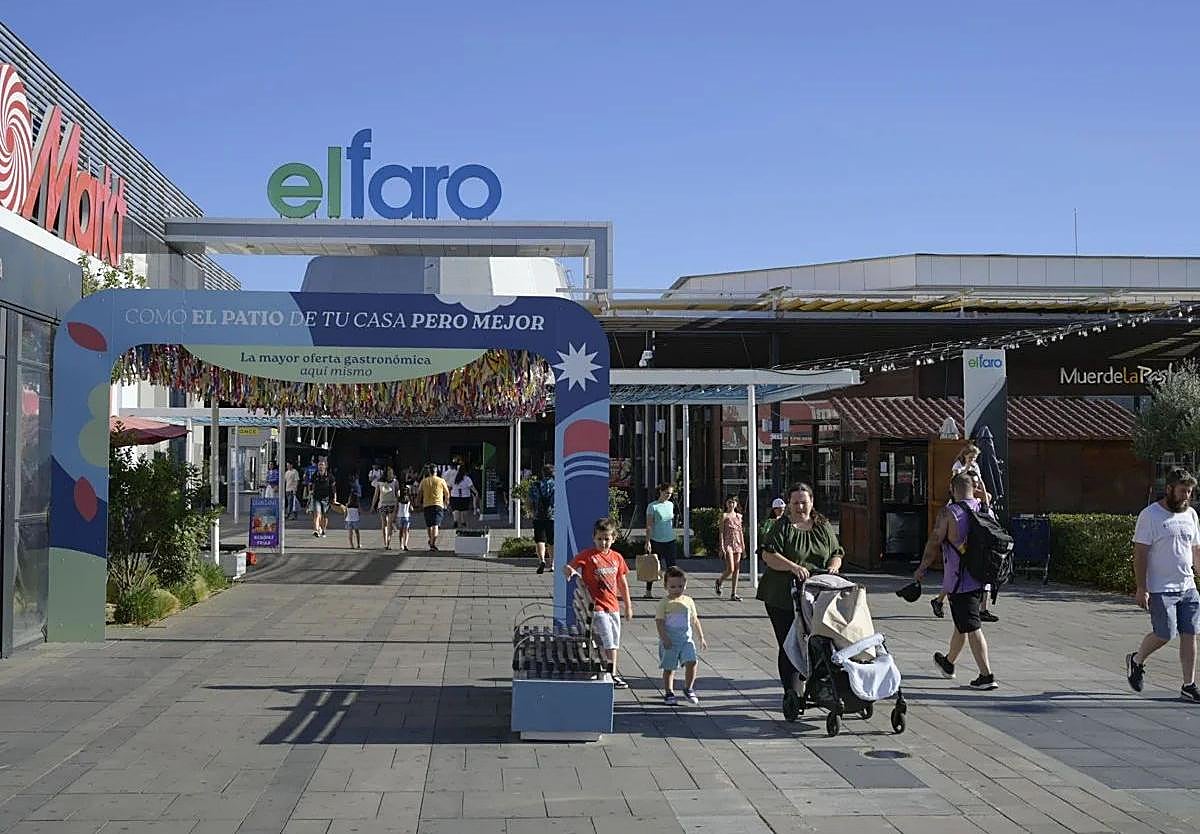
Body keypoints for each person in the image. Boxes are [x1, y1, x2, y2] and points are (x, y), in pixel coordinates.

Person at [758, 482, 845, 716]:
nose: (800, 507)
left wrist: (833, 567)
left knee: (821, 643)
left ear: (812, 502)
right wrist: (793, 567)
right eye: (795, 503)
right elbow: (768, 555)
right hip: (783, 595)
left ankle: (822, 684)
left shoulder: (822, 525)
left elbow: (837, 552)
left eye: (804, 502)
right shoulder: (783, 527)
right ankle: (792, 692)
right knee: (791, 642)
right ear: (788, 504)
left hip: (818, 594)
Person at [914, 472, 999, 690]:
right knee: (962, 624)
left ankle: (986, 676)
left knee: (972, 627)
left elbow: (934, 542)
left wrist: (922, 568)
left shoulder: (949, 513)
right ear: (974, 489)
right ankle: (948, 663)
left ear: (952, 489)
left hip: (960, 581)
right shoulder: (985, 509)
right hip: (983, 578)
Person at [1126, 468, 1200, 703]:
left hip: (1188, 587)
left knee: (1190, 634)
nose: (1187, 496)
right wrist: (1141, 587)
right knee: (1165, 633)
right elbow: (1140, 553)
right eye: (1183, 491)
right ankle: (1136, 660)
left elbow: (1196, 550)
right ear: (1169, 489)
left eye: (1190, 491)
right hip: (1160, 588)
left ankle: (1188, 685)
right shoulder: (1150, 515)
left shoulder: (1191, 515)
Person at [563, 517, 634, 689]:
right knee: (608, 639)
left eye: (607, 539)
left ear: (613, 538)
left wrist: (628, 606)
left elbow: (622, 582)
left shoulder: (617, 558)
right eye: (600, 539)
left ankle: (611, 672)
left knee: (614, 641)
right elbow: (571, 566)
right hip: (597, 607)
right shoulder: (588, 555)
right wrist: (569, 571)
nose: (603, 542)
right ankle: (610, 673)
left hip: (613, 606)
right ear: (594, 538)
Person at [932, 443, 999, 623]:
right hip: (962, 505)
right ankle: (940, 600)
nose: (973, 460)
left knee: (975, 570)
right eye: (971, 457)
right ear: (965, 455)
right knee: (956, 573)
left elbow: (979, 486)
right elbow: (957, 485)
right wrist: (967, 469)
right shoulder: (958, 467)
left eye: (975, 458)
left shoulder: (975, 467)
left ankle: (982, 608)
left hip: (972, 503)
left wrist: (982, 487)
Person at [657, 566, 708, 705]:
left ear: (685, 584)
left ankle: (688, 688)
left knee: (692, 661)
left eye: (680, 586)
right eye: (672, 587)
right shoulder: (664, 603)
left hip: (686, 640)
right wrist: (664, 638)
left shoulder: (688, 601)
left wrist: (701, 637)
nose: (676, 590)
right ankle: (669, 692)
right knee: (669, 668)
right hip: (670, 641)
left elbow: (695, 620)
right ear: (666, 586)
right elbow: (659, 622)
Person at [643, 483, 677, 600]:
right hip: (656, 540)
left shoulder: (671, 505)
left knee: (672, 568)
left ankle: (672, 590)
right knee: (653, 567)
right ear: (661, 492)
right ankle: (648, 591)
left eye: (671, 493)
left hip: (670, 539)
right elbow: (649, 526)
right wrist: (647, 541)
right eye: (667, 493)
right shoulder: (652, 506)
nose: (669, 495)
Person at [716, 495, 745, 601]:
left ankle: (734, 593)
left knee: (737, 568)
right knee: (731, 568)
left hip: (737, 543)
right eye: (729, 502)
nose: (731, 504)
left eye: (733, 502)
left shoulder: (739, 516)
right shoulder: (724, 516)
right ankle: (719, 581)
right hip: (728, 543)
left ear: (736, 504)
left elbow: (740, 532)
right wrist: (721, 546)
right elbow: (721, 532)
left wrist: (743, 547)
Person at [419, 464, 451, 551]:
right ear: (436, 472)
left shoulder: (424, 481)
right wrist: (446, 502)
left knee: (429, 525)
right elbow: (447, 493)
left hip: (427, 505)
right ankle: (432, 544)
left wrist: (418, 503)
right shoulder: (441, 481)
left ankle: (431, 540)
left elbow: (419, 493)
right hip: (438, 505)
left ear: (429, 472)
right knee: (435, 525)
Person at [530, 464, 555, 574]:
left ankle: (542, 560)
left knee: (540, 540)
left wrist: (533, 511)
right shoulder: (556, 485)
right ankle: (552, 564)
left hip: (538, 516)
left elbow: (530, 500)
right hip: (552, 517)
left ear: (543, 473)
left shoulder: (535, 485)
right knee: (551, 541)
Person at [372, 466, 401, 550]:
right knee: (386, 523)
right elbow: (376, 495)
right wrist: (373, 505)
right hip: (386, 504)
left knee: (387, 524)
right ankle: (386, 542)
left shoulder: (389, 482)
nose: (391, 475)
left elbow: (397, 494)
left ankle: (387, 542)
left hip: (387, 504)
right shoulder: (392, 482)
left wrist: (372, 506)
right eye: (390, 473)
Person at [308, 459, 336, 538]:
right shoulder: (315, 475)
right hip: (316, 497)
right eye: (319, 465)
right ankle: (316, 530)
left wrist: (334, 498)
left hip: (326, 498)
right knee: (317, 514)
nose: (320, 466)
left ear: (325, 466)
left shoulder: (330, 476)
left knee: (325, 516)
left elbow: (333, 488)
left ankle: (323, 530)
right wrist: (310, 491)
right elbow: (310, 484)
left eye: (322, 465)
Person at [449, 460, 479, 529]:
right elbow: (472, 487)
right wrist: (476, 492)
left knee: (456, 509)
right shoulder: (467, 479)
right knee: (464, 510)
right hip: (465, 497)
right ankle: (463, 522)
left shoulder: (453, 478)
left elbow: (449, 487)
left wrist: (447, 494)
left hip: (455, 496)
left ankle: (456, 521)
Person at [395, 483, 413, 552]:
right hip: (407, 516)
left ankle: (401, 545)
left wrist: (394, 516)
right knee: (406, 531)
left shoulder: (398, 499)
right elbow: (411, 509)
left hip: (399, 516)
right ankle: (405, 544)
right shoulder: (408, 499)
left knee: (401, 532)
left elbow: (396, 508)